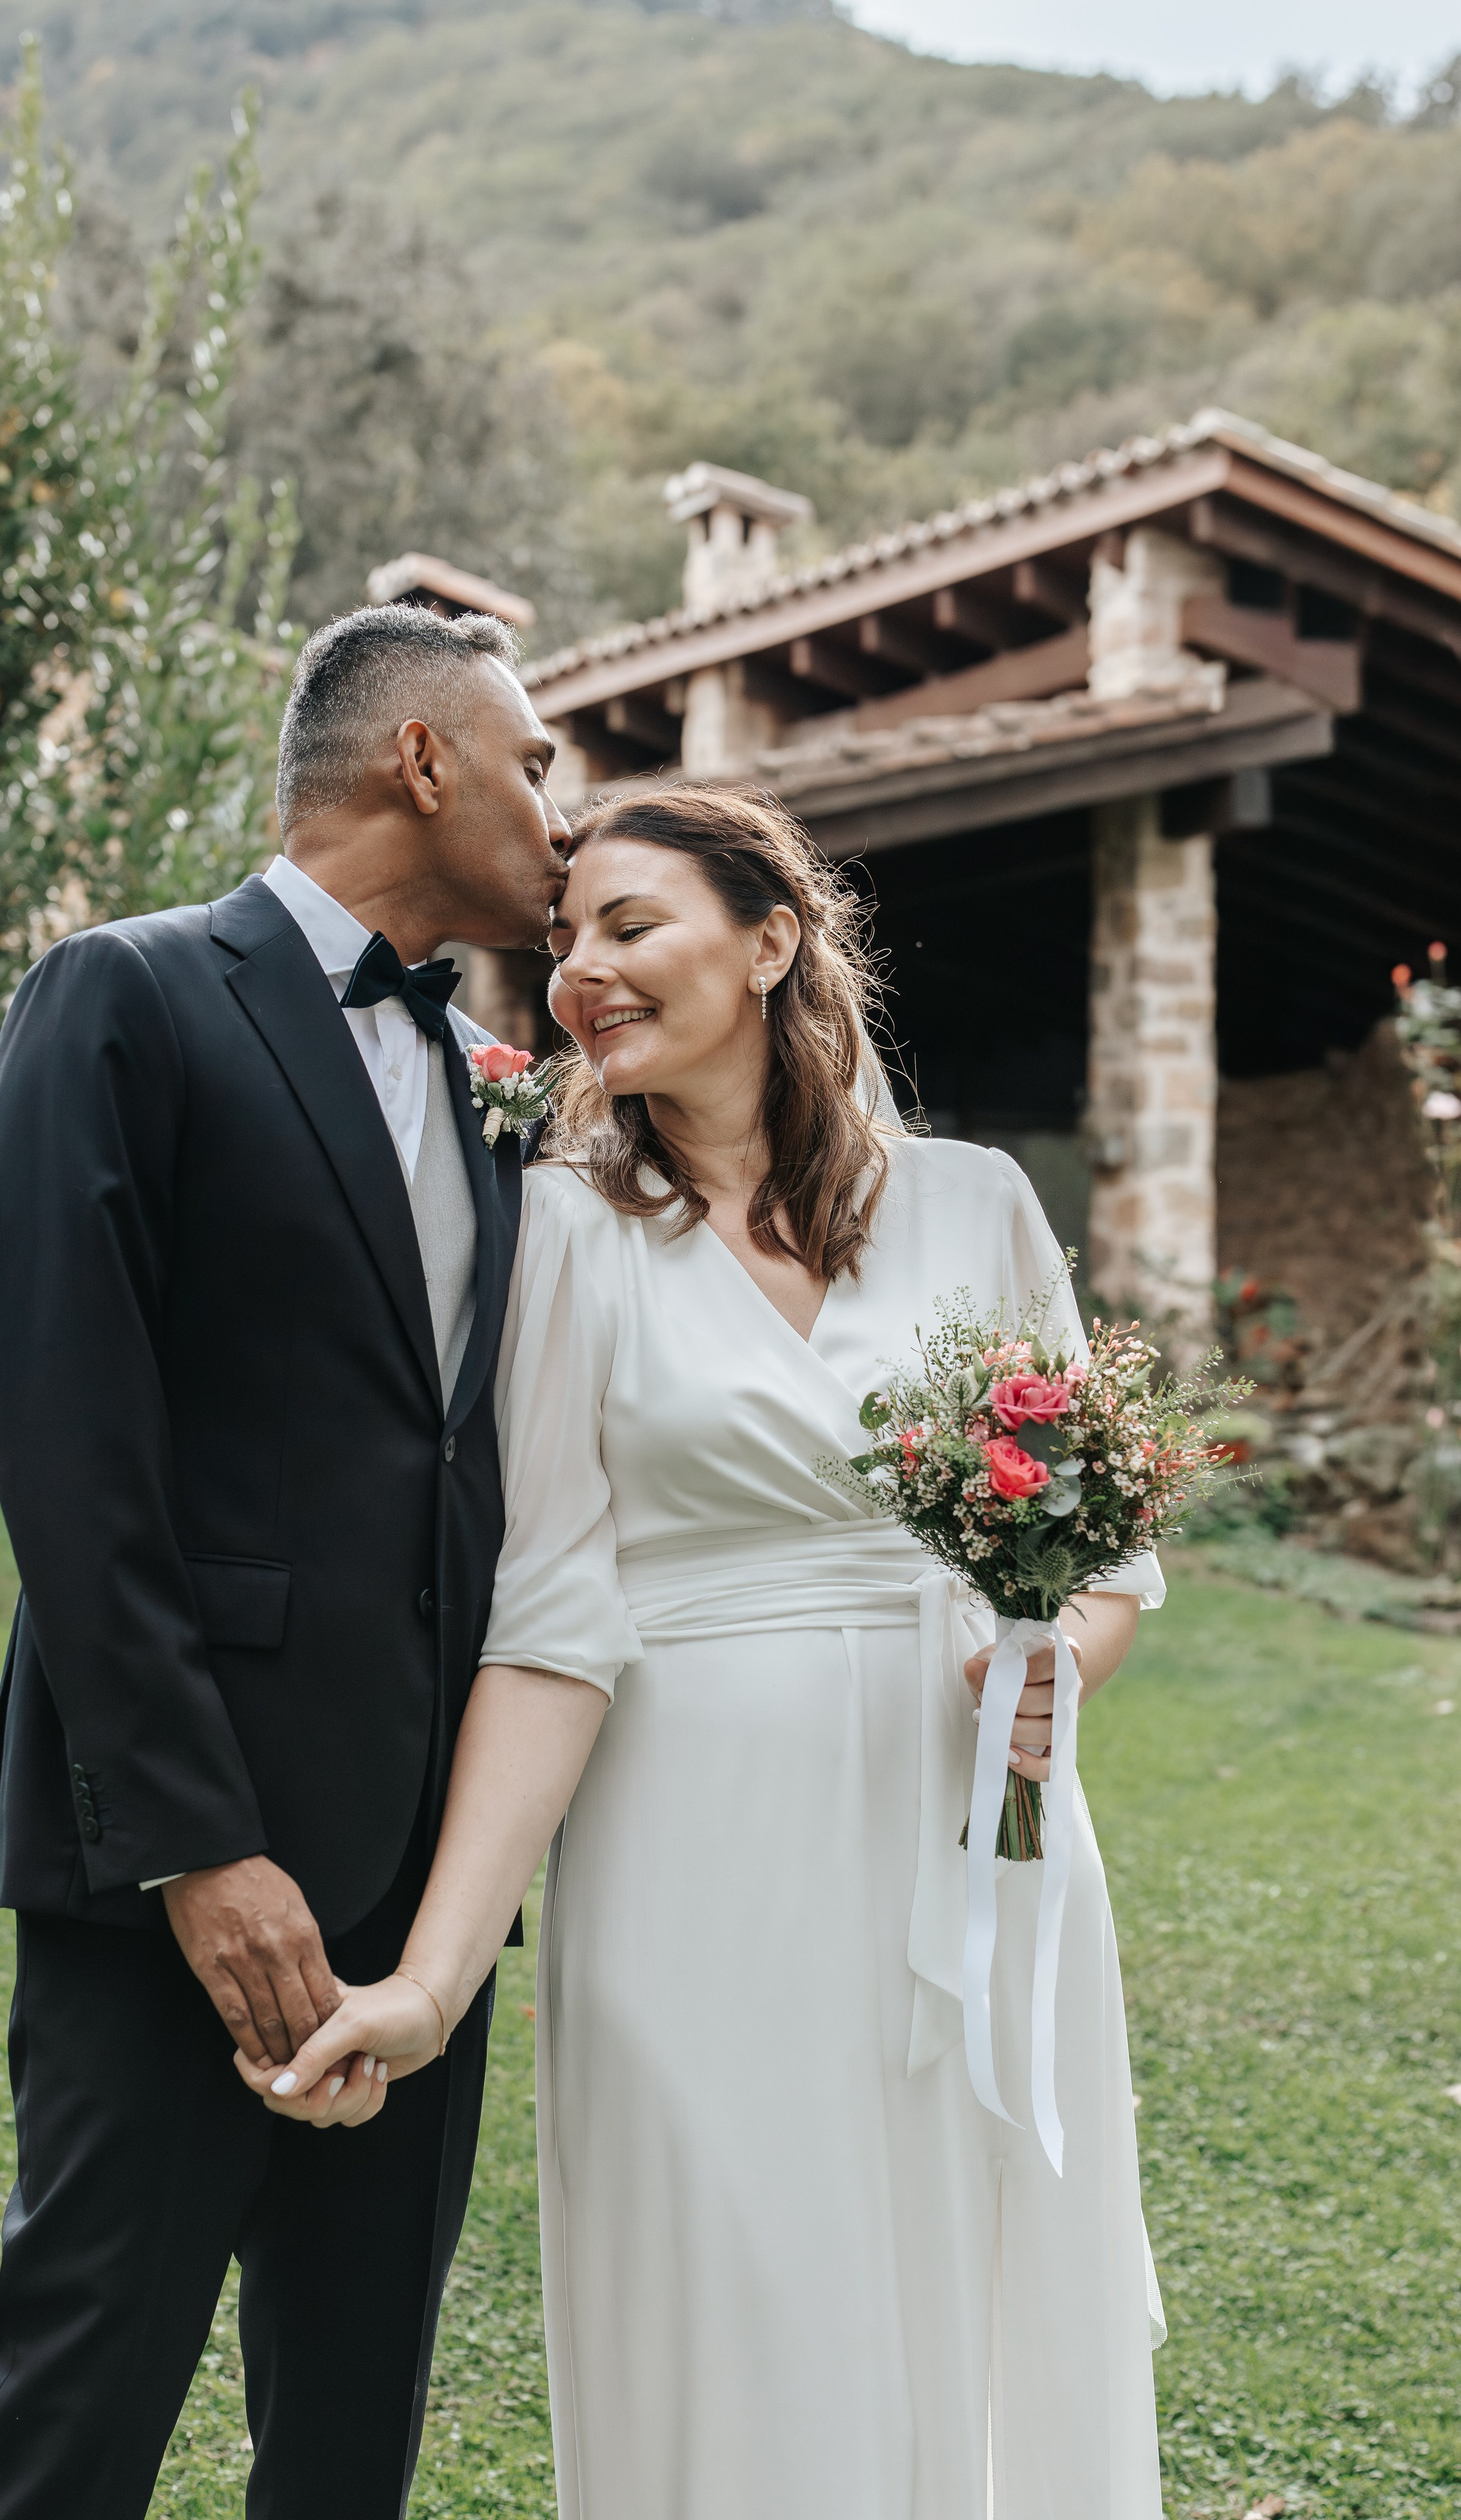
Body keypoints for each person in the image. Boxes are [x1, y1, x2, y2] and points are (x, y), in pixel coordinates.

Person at [251, 785, 1168, 2520]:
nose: (581, 969)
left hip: (966, 1846)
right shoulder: (571, 1230)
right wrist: (436, 1978)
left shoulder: (978, 1208)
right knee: (735, 2309)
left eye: (628, 923)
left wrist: (1059, 1665)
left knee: (967, 2292)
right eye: (565, 935)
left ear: (769, 940)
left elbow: (1102, 1558)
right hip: (691, 1858)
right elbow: (550, 1624)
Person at [0, 604, 570, 2520]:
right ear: (423, 760)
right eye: (536, 761)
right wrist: (199, 1845)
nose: (567, 810)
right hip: (180, 1871)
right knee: (81, 2399)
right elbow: (71, 1454)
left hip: (419, 1877)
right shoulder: (121, 996)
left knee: (349, 2438)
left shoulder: (495, 1081)